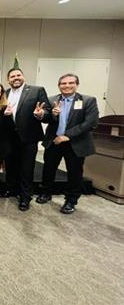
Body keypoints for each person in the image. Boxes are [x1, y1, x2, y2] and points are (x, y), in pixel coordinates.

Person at [36, 74, 99, 214]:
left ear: (77, 84)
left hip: (75, 143)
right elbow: (46, 119)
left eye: (71, 83)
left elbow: (91, 123)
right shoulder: (52, 100)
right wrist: (44, 115)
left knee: (74, 173)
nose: (67, 86)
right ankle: (46, 193)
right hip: (54, 142)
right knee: (48, 169)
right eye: (63, 83)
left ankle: (71, 201)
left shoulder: (87, 101)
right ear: (59, 86)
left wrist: (67, 136)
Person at [4, 68, 50, 211]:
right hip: (9, 138)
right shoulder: (5, 93)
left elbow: (48, 112)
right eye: (12, 76)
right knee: (10, 166)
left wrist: (41, 114)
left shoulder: (36, 90)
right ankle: (11, 190)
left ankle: (25, 197)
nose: (15, 78)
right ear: (8, 80)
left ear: (23, 76)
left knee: (26, 169)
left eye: (18, 75)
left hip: (28, 138)